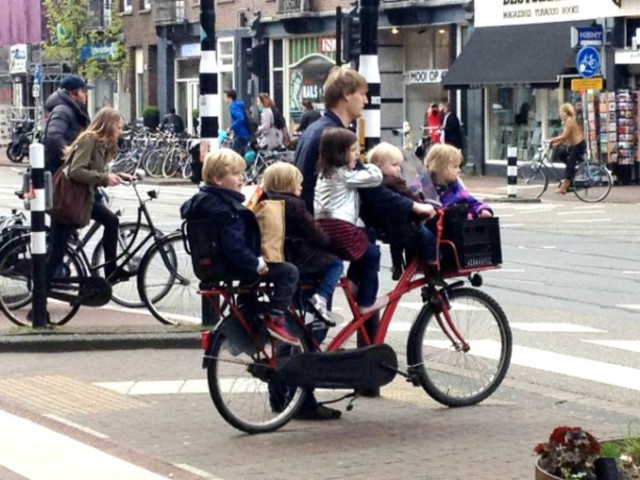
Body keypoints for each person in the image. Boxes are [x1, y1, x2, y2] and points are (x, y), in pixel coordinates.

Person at [180, 148, 300, 345]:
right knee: (289, 272)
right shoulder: (227, 211)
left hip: (211, 266)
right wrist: (255, 263)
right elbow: (234, 247)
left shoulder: (201, 203)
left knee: (253, 286)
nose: (242, 179)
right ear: (218, 179)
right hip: (234, 266)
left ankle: (250, 316)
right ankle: (275, 318)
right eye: (236, 174)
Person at [45, 107, 129, 293]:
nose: (120, 132)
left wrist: (115, 175)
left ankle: (110, 269)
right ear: (107, 125)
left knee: (111, 221)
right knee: (55, 255)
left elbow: (93, 170)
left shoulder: (101, 144)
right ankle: (38, 308)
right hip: (69, 201)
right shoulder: (89, 140)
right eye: (118, 127)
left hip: (83, 199)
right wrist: (105, 179)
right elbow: (76, 170)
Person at [315, 128, 386, 316]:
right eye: (353, 150)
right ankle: (366, 302)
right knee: (372, 255)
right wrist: (367, 164)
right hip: (340, 226)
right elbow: (375, 177)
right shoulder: (344, 174)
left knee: (367, 237)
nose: (357, 154)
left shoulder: (324, 173)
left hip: (323, 227)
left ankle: (353, 281)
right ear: (340, 153)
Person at [261, 162, 343, 324]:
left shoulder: (264, 201)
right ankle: (321, 297)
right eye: (298, 183)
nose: (301, 187)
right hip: (298, 255)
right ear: (288, 185)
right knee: (336, 264)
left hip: (276, 256)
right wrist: (330, 242)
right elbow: (316, 234)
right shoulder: (294, 205)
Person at [295, 65, 369, 213]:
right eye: (362, 94)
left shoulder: (314, 128)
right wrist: (410, 205)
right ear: (347, 94)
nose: (366, 101)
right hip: (327, 222)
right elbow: (363, 180)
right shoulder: (336, 136)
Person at [365, 142, 437, 279]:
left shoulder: (375, 182)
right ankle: (431, 264)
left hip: (388, 226)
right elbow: (408, 196)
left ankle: (397, 266)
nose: (399, 169)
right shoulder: (393, 181)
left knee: (396, 244)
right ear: (380, 166)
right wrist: (421, 202)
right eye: (394, 165)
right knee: (427, 236)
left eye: (400, 165)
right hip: (403, 223)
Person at [426, 144, 493, 218]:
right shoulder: (422, 187)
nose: (459, 170)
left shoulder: (456, 186)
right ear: (440, 167)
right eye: (455, 166)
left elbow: (471, 201)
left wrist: (482, 209)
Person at [43, 74, 92, 174]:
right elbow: (53, 136)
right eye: (83, 91)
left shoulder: (75, 110)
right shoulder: (62, 110)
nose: (86, 95)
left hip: (64, 168)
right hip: (58, 169)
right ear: (73, 94)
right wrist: (70, 154)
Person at [549, 103, 586, 195]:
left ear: (566, 113)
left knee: (569, 165)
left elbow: (564, 135)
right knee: (561, 154)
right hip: (573, 145)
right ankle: (572, 170)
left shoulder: (569, 121)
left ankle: (564, 188)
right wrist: (558, 144)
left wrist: (552, 140)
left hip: (579, 145)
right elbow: (566, 137)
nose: (560, 114)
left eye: (561, 112)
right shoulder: (565, 122)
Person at [223, 89, 251, 156]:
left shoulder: (233, 106)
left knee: (234, 155)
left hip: (240, 134)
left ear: (230, 98)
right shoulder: (238, 104)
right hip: (245, 133)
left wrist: (231, 127)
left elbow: (240, 118)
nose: (223, 98)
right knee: (242, 153)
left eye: (224, 96)